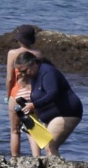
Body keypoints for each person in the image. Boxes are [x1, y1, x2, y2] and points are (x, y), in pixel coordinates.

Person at [14, 52, 81, 156]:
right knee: (46, 144)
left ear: (34, 64)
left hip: (66, 112)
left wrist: (34, 105)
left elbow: (53, 93)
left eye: (24, 71)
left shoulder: (48, 72)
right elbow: (39, 96)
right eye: (20, 72)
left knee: (50, 146)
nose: (23, 74)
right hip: (50, 115)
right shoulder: (34, 76)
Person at [7, 25, 42, 157]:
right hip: (33, 95)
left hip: (17, 93)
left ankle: (15, 160)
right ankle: (37, 159)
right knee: (33, 129)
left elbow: (10, 78)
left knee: (15, 131)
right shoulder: (38, 54)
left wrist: (7, 96)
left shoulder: (12, 54)